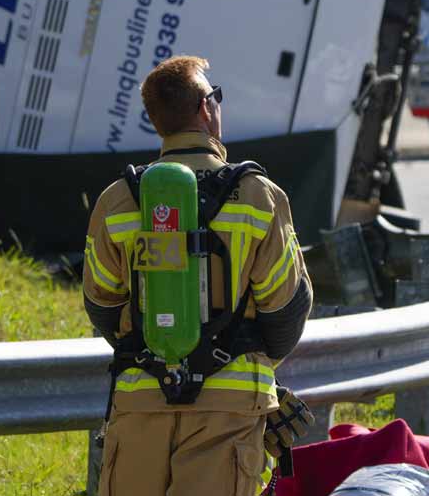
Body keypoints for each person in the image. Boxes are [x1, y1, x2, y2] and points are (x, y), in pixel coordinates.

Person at [83, 55, 314, 496]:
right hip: (229, 410)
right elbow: (286, 308)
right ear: (206, 108)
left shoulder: (118, 201)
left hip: (139, 402)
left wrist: (160, 349)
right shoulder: (256, 196)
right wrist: (250, 364)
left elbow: (103, 307)